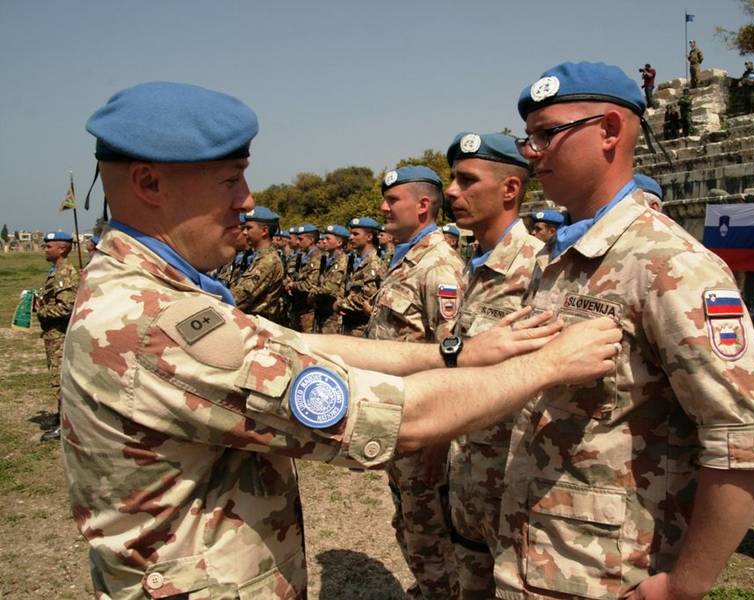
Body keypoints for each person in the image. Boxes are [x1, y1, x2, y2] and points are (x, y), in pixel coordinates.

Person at [63, 81, 623, 600]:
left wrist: (455, 353)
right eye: (230, 179)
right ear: (149, 184)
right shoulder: (150, 318)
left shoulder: (151, 293)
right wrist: (545, 365)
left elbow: (291, 343)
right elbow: (402, 419)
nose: (245, 200)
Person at [497, 60, 754, 600]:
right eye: (528, 136)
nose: (530, 152)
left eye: (547, 135)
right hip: (539, 555)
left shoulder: (668, 262)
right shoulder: (559, 258)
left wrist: (685, 584)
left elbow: (748, 437)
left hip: (612, 574)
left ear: (609, 131)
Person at [443, 131, 544, 598]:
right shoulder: (473, 265)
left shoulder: (540, 270)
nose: (451, 192)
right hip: (466, 471)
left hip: (513, 487)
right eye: (451, 180)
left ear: (510, 190)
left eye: (467, 180)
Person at [368, 165, 467, 599]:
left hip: (425, 429)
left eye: (393, 201)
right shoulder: (405, 258)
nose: (383, 208)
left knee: (429, 534)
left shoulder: (440, 267)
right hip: (398, 421)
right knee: (408, 524)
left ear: (423, 206)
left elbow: (454, 363)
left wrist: (439, 443)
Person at [34, 230, 80, 442]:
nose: (45, 249)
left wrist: (41, 311)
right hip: (54, 334)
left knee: (61, 380)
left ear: (61, 249)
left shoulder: (64, 273)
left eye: (48, 246)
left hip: (60, 334)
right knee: (59, 378)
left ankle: (66, 425)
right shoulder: (57, 271)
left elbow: (66, 307)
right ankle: (63, 417)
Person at [231, 206, 284, 322]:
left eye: (248, 228)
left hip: (258, 326)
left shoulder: (268, 261)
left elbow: (238, 298)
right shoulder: (259, 257)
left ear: (264, 231)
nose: (244, 232)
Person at [336, 217, 386, 336]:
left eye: (355, 234)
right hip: (348, 323)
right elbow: (344, 285)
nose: (350, 237)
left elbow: (367, 297)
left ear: (369, 237)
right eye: (350, 234)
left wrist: (341, 304)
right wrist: (340, 300)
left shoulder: (374, 263)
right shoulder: (352, 260)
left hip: (362, 328)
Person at [312, 224, 350, 334]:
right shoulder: (328, 259)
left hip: (333, 314)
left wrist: (312, 292)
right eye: (323, 238)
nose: (324, 241)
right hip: (323, 310)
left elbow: (330, 288)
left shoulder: (343, 261)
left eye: (327, 239)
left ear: (339, 243)